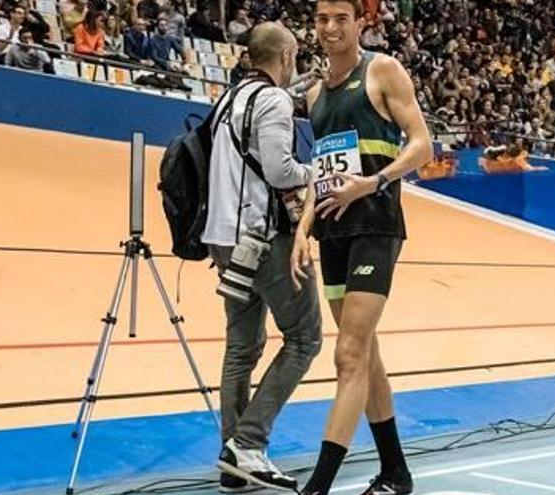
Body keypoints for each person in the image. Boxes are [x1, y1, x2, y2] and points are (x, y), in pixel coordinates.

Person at [292, 0, 432, 493]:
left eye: (341, 19)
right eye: (322, 19)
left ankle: (320, 484)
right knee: (365, 354)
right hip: (332, 233)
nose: (330, 28)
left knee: (348, 355)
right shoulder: (313, 94)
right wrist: (302, 228)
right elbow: (320, 172)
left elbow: (422, 145)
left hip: (374, 224)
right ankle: (396, 471)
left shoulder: (383, 70)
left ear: (359, 23)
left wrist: (372, 183)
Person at [203, 21, 322, 494]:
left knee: (242, 347)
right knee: (304, 338)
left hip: (223, 238)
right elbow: (279, 169)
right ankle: (248, 444)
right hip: (264, 239)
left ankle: (233, 457)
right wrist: (320, 172)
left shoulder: (229, 98)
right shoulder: (273, 101)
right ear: (288, 54)